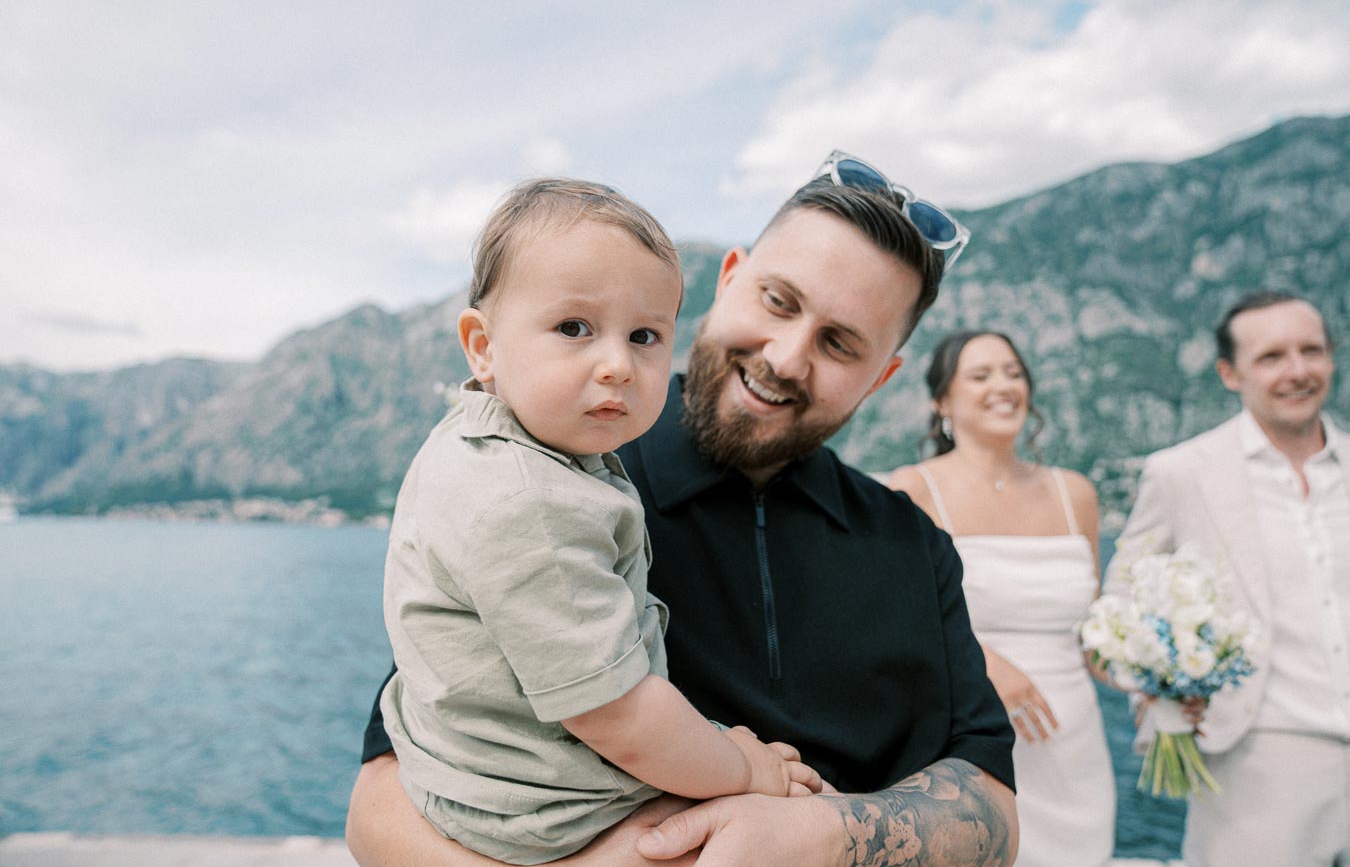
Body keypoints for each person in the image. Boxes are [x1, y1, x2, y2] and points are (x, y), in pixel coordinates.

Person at [347, 150, 1018, 867]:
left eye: (839, 343)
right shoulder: (542, 490)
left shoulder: (913, 543)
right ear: (729, 281)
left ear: (881, 376)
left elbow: (996, 813)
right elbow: (382, 802)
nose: (787, 357)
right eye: (778, 302)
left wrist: (821, 837)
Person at [380, 178, 821, 865]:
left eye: (644, 336)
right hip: (539, 805)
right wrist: (743, 768)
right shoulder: (531, 504)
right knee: (785, 825)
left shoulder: (483, 445)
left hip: (474, 773)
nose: (617, 365)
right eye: (574, 328)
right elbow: (614, 713)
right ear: (483, 346)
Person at [1105, 290, 1347, 866]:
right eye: (1272, 357)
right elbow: (1116, 609)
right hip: (1260, 756)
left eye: (1311, 350)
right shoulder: (1182, 473)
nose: (1297, 370)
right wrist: (1161, 688)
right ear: (1229, 373)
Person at [886, 330, 1114, 865]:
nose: (1003, 386)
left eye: (1013, 372)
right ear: (942, 401)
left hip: (1073, 745)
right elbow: (895, 623)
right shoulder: (913, 489)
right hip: (970, 741)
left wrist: (1161, 678)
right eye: (981, 375)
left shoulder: (1075, 493)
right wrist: (984, 662)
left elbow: (1096, 635)